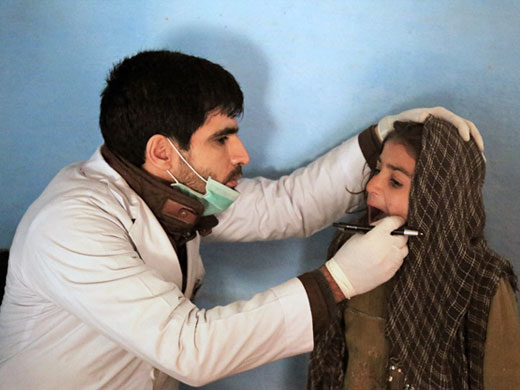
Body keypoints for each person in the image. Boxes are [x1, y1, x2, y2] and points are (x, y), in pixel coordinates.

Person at [0, 50, 480, 389]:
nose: (243, 153)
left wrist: (378, 139)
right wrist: (336, 281)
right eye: (222, 138)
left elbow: (288, 205)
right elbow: (190, 348)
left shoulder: (175, 194)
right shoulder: (71, 225)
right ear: (163, 151)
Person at [307, 117, 520, 390]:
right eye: (376, 170)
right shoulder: (350, 253)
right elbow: (331, 361)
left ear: (438, 198)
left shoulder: (482, 283)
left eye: (395, 181)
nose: (372, 186)